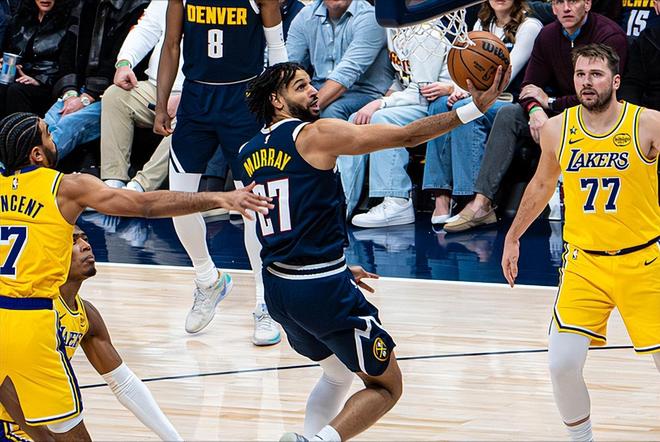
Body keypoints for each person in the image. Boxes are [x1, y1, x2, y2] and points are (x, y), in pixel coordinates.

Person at [239, 61, 509, 441]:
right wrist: (473, 109)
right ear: (277, 101)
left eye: (310, 83)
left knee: (336, 373)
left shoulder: (246, 151)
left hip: (279, 288)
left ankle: (310, 436)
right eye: (300, 87)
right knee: (387, 387)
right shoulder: (316, 134)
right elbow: (407, 136)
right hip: (320, 288)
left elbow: (284, 220)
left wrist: (336, 265)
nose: (314, 91)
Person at [0, 112, 272, 440]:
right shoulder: (66, 187)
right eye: (47, 134)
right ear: (37, 154)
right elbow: (145, 205)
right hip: (31, 322)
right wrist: (219, 197)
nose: (53, 138)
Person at [501, 43, 660, 442]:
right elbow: (541, 185)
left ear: (616, 81)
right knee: (561, 365)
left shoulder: (648, 124)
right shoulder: (558, 128)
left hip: (643, 262)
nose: (587, 83)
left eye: (596, 75)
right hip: (584, 264)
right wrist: (513, 236)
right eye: (580, 75)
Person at [155, 0, 287, 344]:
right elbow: (171, 44)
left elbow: (277, 49)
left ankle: (265, 303)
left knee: (254, 205)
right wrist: (161, 103)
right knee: (177, 201)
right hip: (196, 99)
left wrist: (281, 106)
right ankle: (207, 278)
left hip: (245, 101)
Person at [443, 0, 628, 233]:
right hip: (557, 112)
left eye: (573, 1)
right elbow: (529, 86)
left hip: (596, 112)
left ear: (588, 4)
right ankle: (481, 205)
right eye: (559, 2)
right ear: (553, 8)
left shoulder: (609, 35)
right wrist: (535, 110)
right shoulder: (547, 35)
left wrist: (550, 102)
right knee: (509, 114)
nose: (566, 8)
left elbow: (602, 96)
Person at [0, 226, 183, 441]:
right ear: (51, 253)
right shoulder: (30, 308)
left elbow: (124, 384)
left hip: (41, 424)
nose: (86, 245)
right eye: (73, 241)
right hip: (9, 426)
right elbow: (4, 385)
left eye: (85, 238)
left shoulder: (86, 315)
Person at [423, 0, 542, 226]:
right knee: (439, 106)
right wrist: (457, 89)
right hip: (479, 96)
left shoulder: (530, 26)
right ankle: (441, 196)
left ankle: (470, 199)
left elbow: (505, 77)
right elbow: (469, 68)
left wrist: (461, 92)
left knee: (465, 110)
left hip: (511, 102)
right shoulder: (482, 23)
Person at [340, 23, 454, 227]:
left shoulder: (425, 33)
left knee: (382, 119)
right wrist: (384, 99)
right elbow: (403, 78)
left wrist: (380, 103)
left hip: (439, 105)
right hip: (416, 102)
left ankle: (397, 200)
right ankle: (344, 203)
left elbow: (423, 92)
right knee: (355, 120)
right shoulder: (393, 30)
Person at [45, 0, 149, 163]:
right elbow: (68, 53)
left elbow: (121, 61)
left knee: (68, 124)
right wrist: (70, 93)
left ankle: (28, 168)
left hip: (117, 93)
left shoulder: (140, 7)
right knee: (46, 123)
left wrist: (87, 97)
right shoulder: (82, 5)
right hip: (78, 89)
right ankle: (16, 167)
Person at [100, 0, 185, 193]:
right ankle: (113, 184)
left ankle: (140, 187)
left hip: (198, 93)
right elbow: (146, 28)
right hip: (156, 86)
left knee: (190, 118)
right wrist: (124, 62)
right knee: (115, 96)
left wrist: (188, 94)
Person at [0, 0, 74, 117]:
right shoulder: (20, 19)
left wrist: (39, 80)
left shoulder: (69, 23)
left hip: (49, 85)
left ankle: (21, 128)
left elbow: (67, 66)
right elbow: (10, 51)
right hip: (19, 78)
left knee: (16, 90)